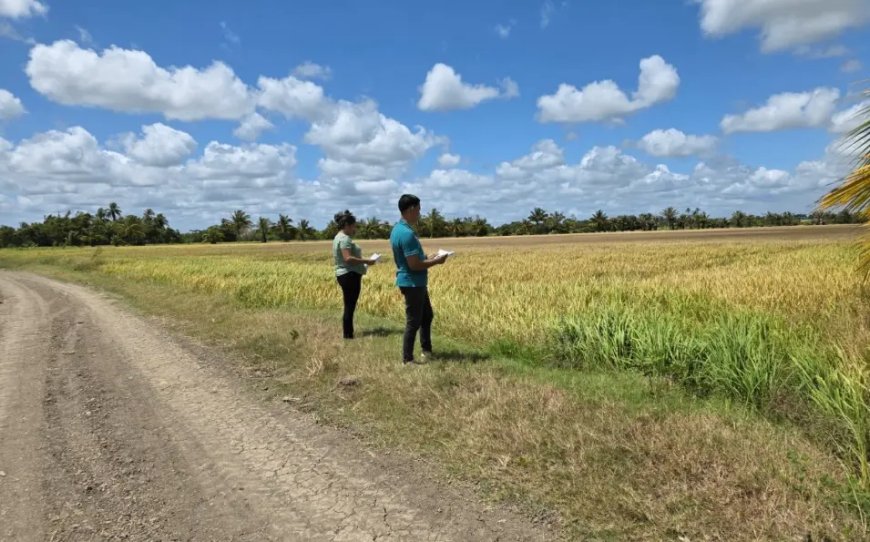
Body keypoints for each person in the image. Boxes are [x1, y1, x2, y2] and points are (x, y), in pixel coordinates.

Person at [389, 194, 449, 365]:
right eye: (419, 210)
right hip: (413, 282)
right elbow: (414, 265)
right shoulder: (406, 234)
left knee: (426, 316)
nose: (420, 214)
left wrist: (429, 256)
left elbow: (415, 258)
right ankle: (407, 359)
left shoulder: (397, 229)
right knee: (413, 321)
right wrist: (437, 261)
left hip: (414, 281)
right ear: (411, 209)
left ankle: (426, 350)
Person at [333, 210, 377, 339]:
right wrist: (366, 261)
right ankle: (348, 334)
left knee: (349, 304)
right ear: (347, 225)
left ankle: (348, 333)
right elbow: (348, 258)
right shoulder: (345, 239)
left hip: (343, 274)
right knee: (350, 305)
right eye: (354, 226)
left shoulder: (338, 237)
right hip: (349, 275)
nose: (355, 228)